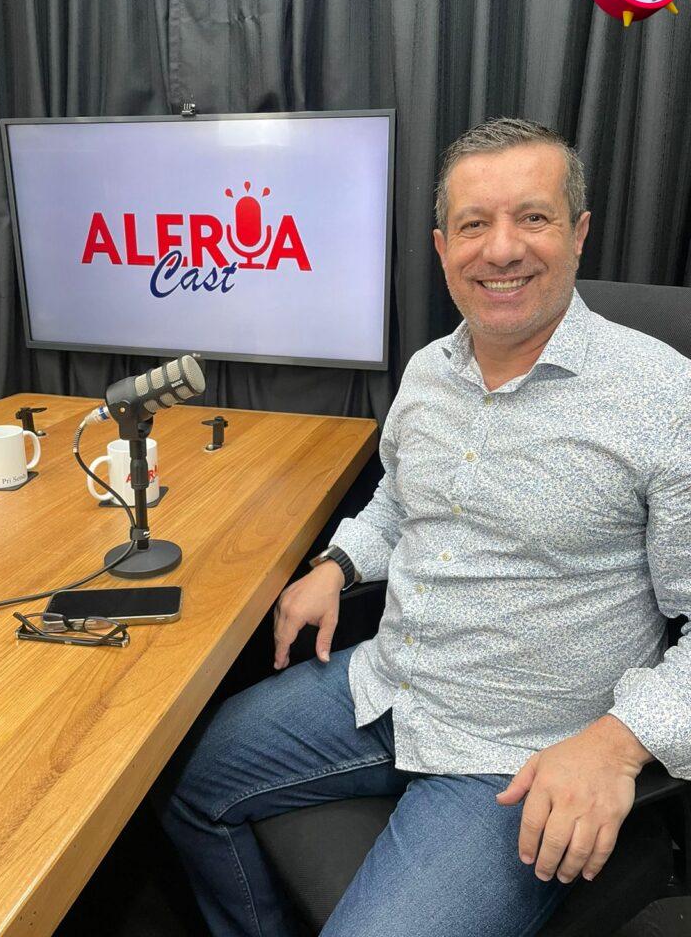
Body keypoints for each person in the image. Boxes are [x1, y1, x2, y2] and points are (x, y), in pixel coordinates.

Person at [156, 118, 691, 937]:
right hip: (390, 686)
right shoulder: (428, 372)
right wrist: (337, 565)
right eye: (475, 224)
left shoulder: (663, 399)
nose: (501, 249)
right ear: (443, 248)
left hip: (521, 754)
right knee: (187, 786)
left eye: (533, 217)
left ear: (579, 232)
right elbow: (401, 505)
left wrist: (618, 745)